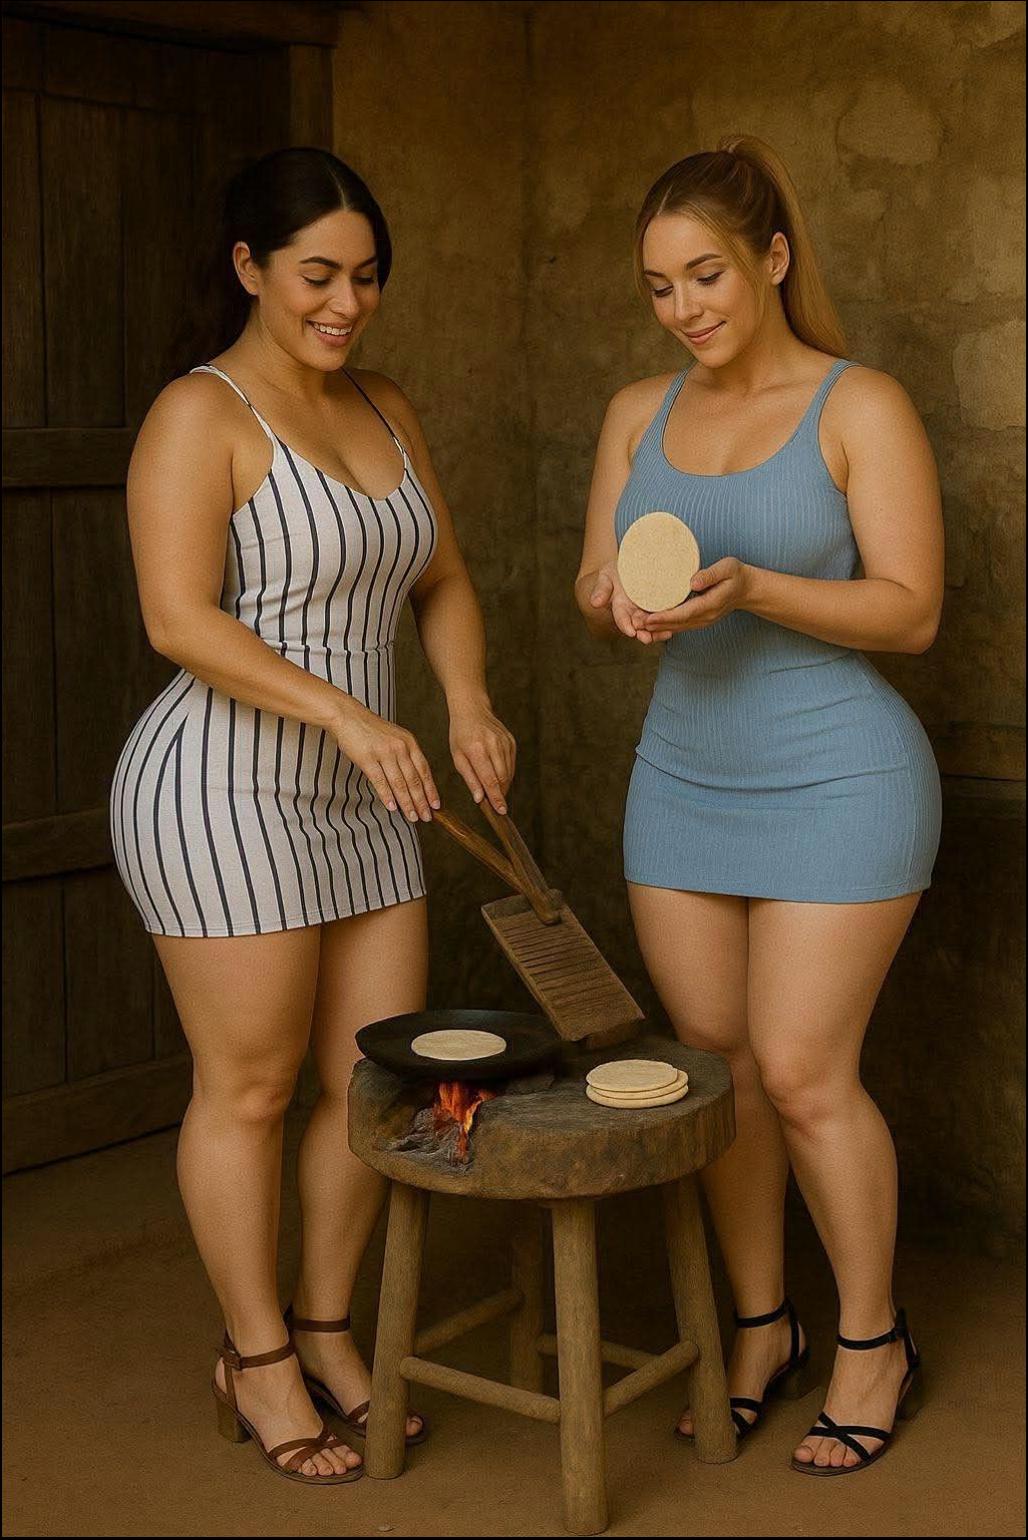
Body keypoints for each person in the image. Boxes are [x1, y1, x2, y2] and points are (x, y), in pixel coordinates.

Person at [111, 147, 516, 1484]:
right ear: (249, 269)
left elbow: (442, 579)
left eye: (368, 277)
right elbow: (180, 620)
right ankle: (259, 1356)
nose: (347, 304)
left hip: (370, 792)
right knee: (249, 1085)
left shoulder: (386, 405)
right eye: (318, 276)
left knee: (373, 1079)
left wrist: (460, 701)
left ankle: (331, 1326)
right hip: (221, 792)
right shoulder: (200, 414)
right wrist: (344, 710)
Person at [575, 136, 942, 1475]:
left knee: (802, 1072)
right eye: (661, 286)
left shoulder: (861, 406)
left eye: (707, 274)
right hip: (681, 776)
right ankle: (759, 1327)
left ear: (773, 258)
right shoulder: (635, 411)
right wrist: (618, 600)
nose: (685, 308)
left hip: (843, 775)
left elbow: (911, 612)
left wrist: (753, 587)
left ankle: (871, 1341)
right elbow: (594, 577)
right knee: (717, 1071)